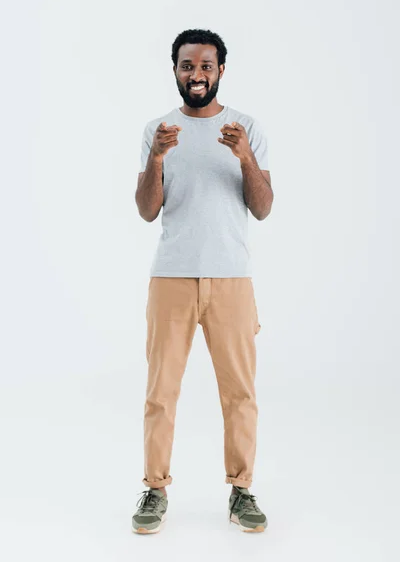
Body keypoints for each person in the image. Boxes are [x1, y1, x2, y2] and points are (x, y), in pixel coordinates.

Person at [132, 28, 274, 534]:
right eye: (188, 65)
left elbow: (262, 207)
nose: (197, 75)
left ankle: (241, 491)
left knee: (239, 391)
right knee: (160, 390)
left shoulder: (246, 128)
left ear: (220, 71)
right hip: (171, 275)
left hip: (232, 276)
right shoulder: (158, 130)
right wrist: (156, 158)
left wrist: (245, 158)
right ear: (175, 69)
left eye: (206, 66)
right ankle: (154, 489)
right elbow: (148, 211)